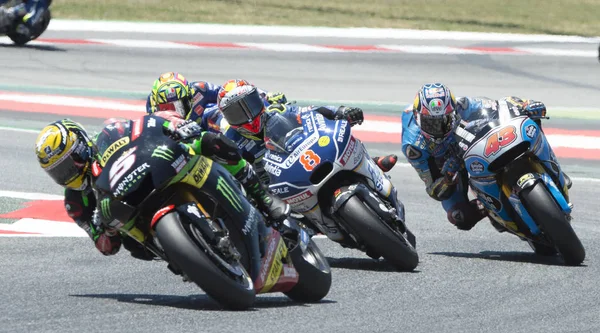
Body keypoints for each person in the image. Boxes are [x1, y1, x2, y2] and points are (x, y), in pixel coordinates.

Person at [34, 114, 290, 259]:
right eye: (58, 173)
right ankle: (184, 256)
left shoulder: (108, 134)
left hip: (155, 171)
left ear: (81, 148)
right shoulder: (76, 203)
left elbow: (146, 125)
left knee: (205, 141)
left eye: (67, 166)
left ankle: (260, 193)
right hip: (137, 217)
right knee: (136, 249)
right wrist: (104, 231)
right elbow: (105, 248)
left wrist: (175, 126)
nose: (66, 176)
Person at [401, 82, 571, 231]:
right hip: (447, 164)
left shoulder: (462, 105)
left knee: (530, 118)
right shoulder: (414, 146)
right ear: (418, 117)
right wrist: (447, 178)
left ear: (452, 112)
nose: (437, 128)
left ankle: (549, 166)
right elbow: (433, 190)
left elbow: (498, 106)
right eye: (431, 123)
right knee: (459, 216)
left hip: (470, 143)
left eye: (443, 121)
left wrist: (524, 104)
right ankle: (490, 209)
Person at [215, 79, 399, 178]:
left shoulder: (275, 110)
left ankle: (369, 163)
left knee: (336, 131)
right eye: (237, 113)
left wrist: (340, 112)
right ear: (228, 118)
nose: (249, 116)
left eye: (250, 105)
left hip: (305, 155)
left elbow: (310, 112)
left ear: (258, 100)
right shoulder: (232, 140)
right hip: (277, 185)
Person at [145, 72, 287, 131]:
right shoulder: (152, 110)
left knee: (215, 111)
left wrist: (266, 96)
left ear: (189, 97)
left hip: (208, 135)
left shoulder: (199, 90)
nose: (174, 111)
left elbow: (232, 91)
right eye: (167, 107)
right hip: (183, 146)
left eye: (179, 106)